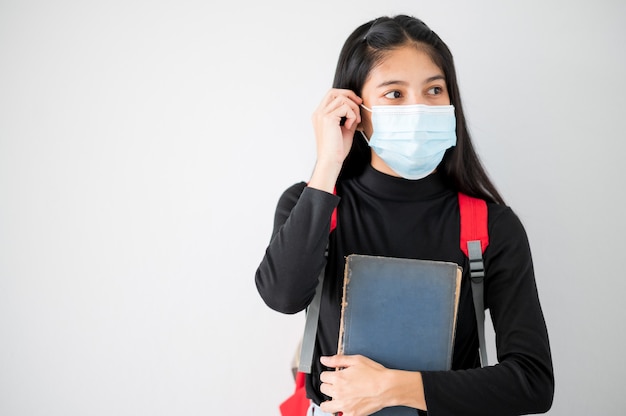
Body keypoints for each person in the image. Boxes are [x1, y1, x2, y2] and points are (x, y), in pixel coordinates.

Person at [255, 14, 554, 416]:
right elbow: (283, 297)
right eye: (394, 94)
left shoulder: (491, 225)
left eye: (434, 90)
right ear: (354, 106)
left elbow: (533, 383)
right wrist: (327, 162)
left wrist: (393, 387)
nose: (418, 108)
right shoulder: (312, 203)